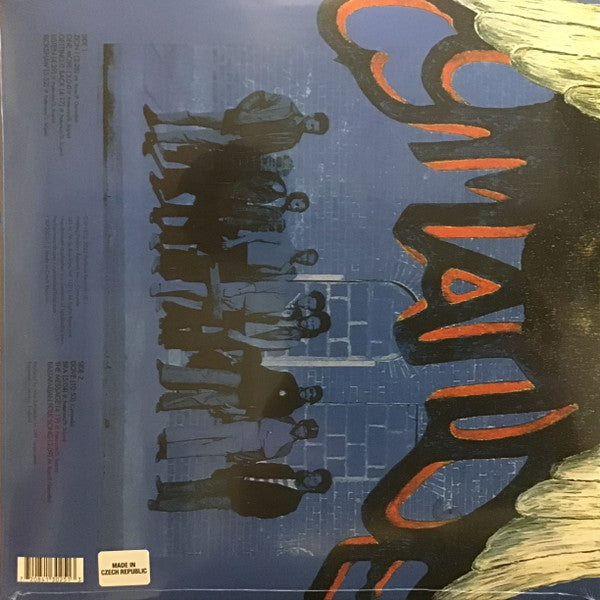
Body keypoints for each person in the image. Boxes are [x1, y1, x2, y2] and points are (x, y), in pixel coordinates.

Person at [143, 92, 329, 153]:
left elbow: (262, 150)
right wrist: (243, 110)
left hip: (235, 139)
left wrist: (240, 147)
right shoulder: (286, 104)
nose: (309, 128)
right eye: (312, 124)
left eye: (313, 130)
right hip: (233, 119)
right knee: (194, 117)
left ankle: (156, 138)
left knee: (194, 137)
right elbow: (260, 96)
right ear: (311, 115)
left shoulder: (290, 141)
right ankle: (157, 118)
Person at [155, 359, 323, 419]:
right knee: (208, 375)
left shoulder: (288, 409)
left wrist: (238, 412)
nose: (307, 393)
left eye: (310, 396)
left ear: (308, 401)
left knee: (206, 400)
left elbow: (264, 413)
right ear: (308, 387)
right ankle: (167, 372)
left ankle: (166, 404)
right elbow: (264, 373)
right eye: (311, 390)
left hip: (242, 400)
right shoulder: (289, 379)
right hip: (242, 381)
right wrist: (244, 367)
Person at [147, 465, 332, 517]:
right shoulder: (287, 471)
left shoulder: (291, 503)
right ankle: (165, 489)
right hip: (236, 482)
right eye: (314, 474)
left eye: (315, 481)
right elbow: (258, 468)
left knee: (199, 502)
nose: (310, 477)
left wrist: (243, 507)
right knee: (199, 486)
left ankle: (160, 505)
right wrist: (233, 471)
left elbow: (264, 513)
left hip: (237, 501)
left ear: (314, 489)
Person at [154, 417, 319, 462]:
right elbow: (265, 420)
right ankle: (170, 436)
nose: (301, 431)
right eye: (303, 427)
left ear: (303, 437)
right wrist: (266, 436)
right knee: (207, 431)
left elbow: (268, 454)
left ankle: (168, 453)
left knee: (206, 449)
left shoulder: (287, 447)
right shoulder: (287, 419)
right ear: (301, 423)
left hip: (244, 444)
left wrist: (266, 434)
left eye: (304, 433)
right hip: (245, 427)